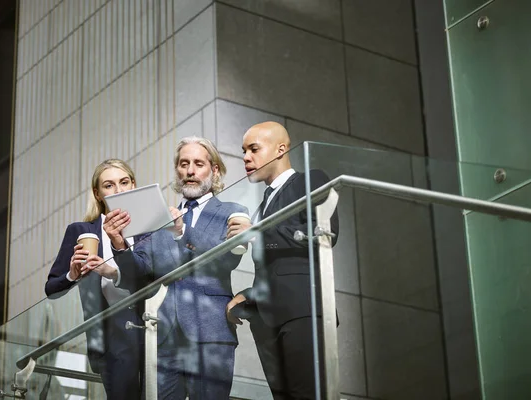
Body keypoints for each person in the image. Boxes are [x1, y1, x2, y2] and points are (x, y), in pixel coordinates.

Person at [86, 136, 248, 400]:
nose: (190, 171)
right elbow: (137, 273)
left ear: (214, 170)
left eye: (198, 163)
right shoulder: (157, 218)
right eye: (184, 164)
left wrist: (184, 231)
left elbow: (227, 259)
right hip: (162, 339)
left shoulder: (231, 211)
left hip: (210, 334)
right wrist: (119, 244)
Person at [226, 121, 340, 400]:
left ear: (280, 149)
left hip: (303, 311)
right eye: (243, 151)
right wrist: (247, 295)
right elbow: (276, 268)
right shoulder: (263, 203)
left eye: (254, 149)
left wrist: (257, 233)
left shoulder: (310, 180)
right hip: (267, 320)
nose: (245, 157)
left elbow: (323, 233)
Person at [45, 159, 146, 400]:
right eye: (109, 185)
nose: (118, 190)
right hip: (111, 336)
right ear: (97, 193)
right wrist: (73, 274)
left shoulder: (148, 226)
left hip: (152, 328)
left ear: (134, 185)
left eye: (124, 182)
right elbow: (52, 289)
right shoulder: (80, 231)